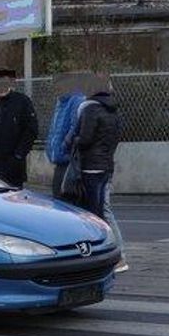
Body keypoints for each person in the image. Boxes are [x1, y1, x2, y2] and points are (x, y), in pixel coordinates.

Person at [74, 83, 126, 269]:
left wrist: (72, 139)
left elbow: (85, 139)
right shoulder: (113, 111)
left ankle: (104, 255)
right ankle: (118, 255)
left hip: (91, 167)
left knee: (93, 214)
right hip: (106, 165)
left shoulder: (90, 109)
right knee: (105, 210)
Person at [46, 73, 92, 200]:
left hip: (69, 160)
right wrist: (49, 148)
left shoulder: (77, 100)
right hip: (61, 159)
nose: (56, 90)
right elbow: (54, 128)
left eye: (58, 86)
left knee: (65, 200)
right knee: (58, 198)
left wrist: (63, 146)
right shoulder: (61, 102)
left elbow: (75, 127)